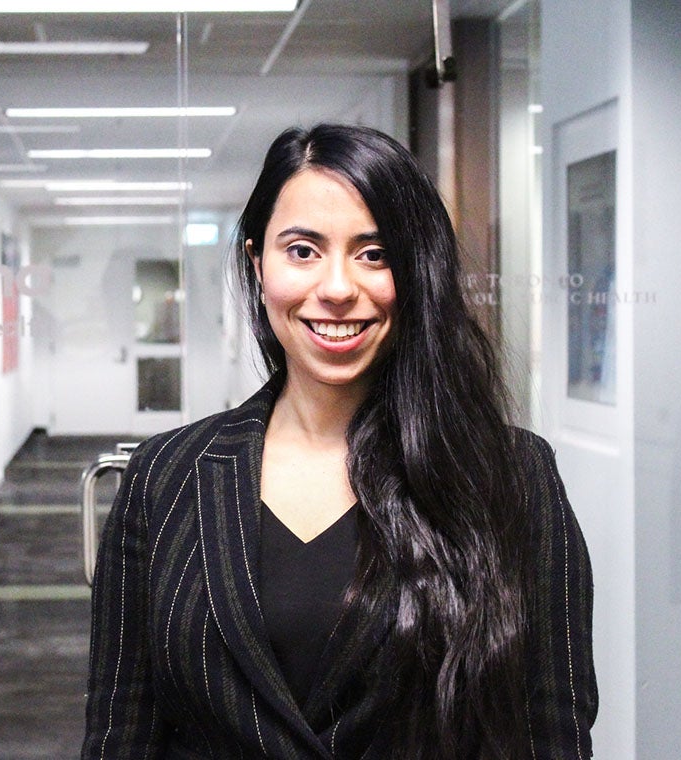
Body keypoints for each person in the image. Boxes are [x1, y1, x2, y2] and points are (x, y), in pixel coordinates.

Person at [82, 124, 597, 759]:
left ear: (416, 271)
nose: (336, 288)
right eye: (302, 250)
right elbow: (120, 731)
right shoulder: (167, 475)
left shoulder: (510, 475)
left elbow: (551, 730)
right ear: (257, 263)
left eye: (373, 254)